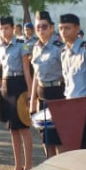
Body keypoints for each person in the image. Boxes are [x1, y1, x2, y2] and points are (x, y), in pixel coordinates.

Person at [58, 13, 86, 151]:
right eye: (61, 28)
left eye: (67, 28)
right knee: (72, 151)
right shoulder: (64, 52)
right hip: (70, 107)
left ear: (77, 28)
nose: (64, 32)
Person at [0, 15, 35, 170]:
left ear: (13, 28)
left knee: (23, 127)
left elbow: (27, 70)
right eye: (1, 28)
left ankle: (29, 165)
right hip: (6, 87)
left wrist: (30, 93)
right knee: (12, 128)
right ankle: (18, 165)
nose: (4, 31)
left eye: (6, 28)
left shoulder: (21, 45)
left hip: (19, 85)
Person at [29, 11, 66, 157]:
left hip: (58, 93)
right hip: (42, 95)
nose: (41, 30)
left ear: (51, 28)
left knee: (59, 138)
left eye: (44, 27)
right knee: (46, 138)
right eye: (38, 27)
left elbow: (67, 74)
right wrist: (32, 100)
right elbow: (36, 76)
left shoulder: (59, 48)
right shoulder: (36, 47)